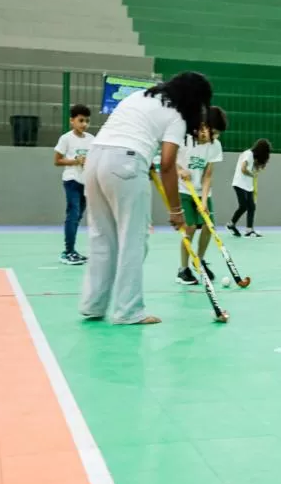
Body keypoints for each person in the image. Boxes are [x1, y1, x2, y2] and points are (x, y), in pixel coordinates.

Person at [79, 72, 212, 326]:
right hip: (126, 163)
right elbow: (168, 164)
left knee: (101, 236)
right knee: (133, 239)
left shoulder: (139, 96)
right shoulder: (176, 115)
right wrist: (176, 210)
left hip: (95, 160)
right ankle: (128, 311)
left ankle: (93, 305)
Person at [175, 106, 227, 285]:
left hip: (202, 191)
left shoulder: (215, 145)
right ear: (202, 126)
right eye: (214, 132)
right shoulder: (185, 139)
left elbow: (208, 175)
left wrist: (204, 201)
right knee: (189, 228)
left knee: (208, 227)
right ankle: (183, 269)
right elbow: (169, 160)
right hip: (183, 190)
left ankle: (200, 261)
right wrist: (180, 170)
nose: (216, 137)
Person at [54, 104, 94, 265]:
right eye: (81, 120)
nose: (84, 124)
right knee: (73, 213)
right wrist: (75, 161)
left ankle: (72, 251)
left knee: (77, 216)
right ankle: (68, 251)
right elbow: (57, 160)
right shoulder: (66, 138)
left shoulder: (92, 139)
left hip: (86, 181)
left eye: (87, 121)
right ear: (72, 121)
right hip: (72, 180)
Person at [228, 138, 271, 238]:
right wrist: (252, 175)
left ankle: (249, 230)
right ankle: (231, 224)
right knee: (243, 205)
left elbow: (254, 167)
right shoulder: (248, 154)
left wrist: (259, 166)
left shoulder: (252, 156)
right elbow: (243, 169)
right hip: (239, 183)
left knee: (251, 207)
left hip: (248, 186)